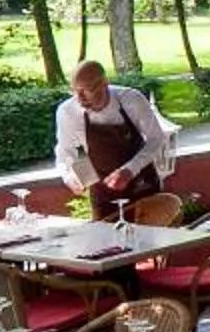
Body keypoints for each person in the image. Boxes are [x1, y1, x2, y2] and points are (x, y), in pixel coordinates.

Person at [53, 61, 174, 219]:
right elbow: (65, 151)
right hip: (103, 194)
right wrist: (69, 176)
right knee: (106, 241)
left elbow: (156, 139)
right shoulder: (67, 111)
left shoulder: (131, 100)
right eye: (75, 91)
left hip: (142, 185)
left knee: (150, 240)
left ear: (104, 83)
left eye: (86, 90)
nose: (79, 97)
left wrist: (130, 169)